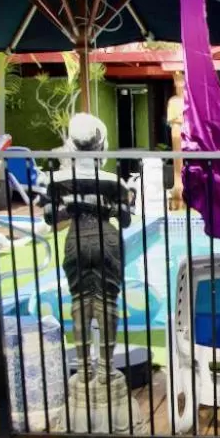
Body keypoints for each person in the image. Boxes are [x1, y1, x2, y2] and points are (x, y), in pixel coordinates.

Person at [48, 113, 133, 371]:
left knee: (79, 300)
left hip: (75, 237)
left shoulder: (57, 182)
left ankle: (84, 369)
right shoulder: (113, 182)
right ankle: (107, 368)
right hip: (106, 238)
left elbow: (51, 216)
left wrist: (75, 205)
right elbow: (126, 219)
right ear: (100, 145)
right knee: (107, 301)